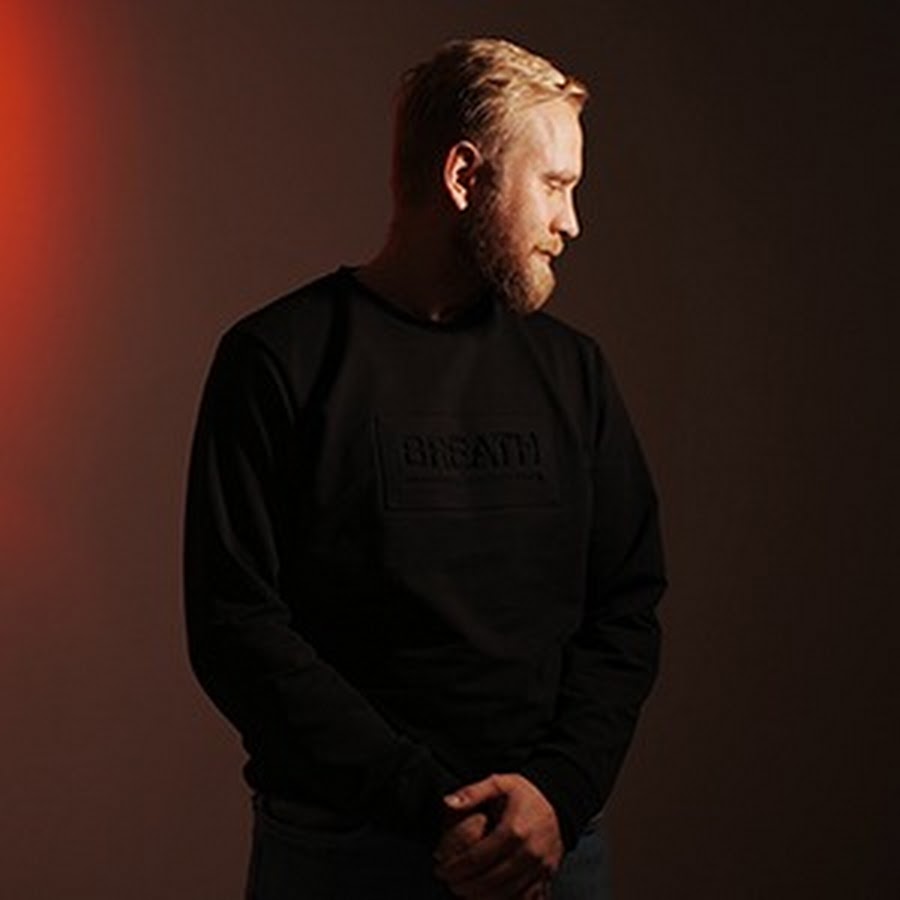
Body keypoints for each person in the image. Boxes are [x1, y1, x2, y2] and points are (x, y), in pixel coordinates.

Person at [184, 37, 666, 900]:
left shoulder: (576, 373)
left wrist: (558, 792)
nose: (571, 223)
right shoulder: (279, 360)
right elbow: (236, 626)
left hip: (550, 849)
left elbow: (627, 607)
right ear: (464, 176)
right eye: (555, 185)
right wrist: (428, 807)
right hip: (344, 854)